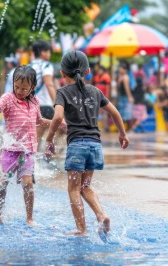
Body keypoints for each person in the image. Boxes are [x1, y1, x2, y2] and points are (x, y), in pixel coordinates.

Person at [45, 50, 129, 236]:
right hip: (95, 146)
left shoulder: (62, 92)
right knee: (85, 186)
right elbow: (114, 113)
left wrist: (49, 139)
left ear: (62, 73)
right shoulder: (96, 91)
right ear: (88, 71)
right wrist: (122, 134)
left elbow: (58, 117)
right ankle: (101, 215)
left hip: (77, 147)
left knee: (74, 188)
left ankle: (81, 229)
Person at [0, 66, 56, 225]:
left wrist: (57, 123)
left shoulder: (35, 102)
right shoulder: (8, 98)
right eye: (17, 87)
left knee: (28, 183)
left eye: (24, 88)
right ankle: (0, 213)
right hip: (10, 150)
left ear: (33, 87)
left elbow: (38, 121)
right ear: (13, 83)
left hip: (27, 151)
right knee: (2, 183)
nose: (20, 91)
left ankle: (29, 218)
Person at [30, 40, 56, 151]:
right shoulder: (46, 66)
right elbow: (49, 84)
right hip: (45, 105)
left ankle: (37, 160)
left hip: (32, 106)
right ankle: (40, 161)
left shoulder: (28, 66)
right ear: (43, 52)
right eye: (49, 52)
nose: (49, 54)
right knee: (41, 138)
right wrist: (58, 104)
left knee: (34, 137)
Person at [94, 65, 111, 131]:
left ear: (103, 70)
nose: (98, 71)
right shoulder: (97, 77)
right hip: (97, 97)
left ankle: (106, 127)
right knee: (97, 112)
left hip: (104, 97)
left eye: (100, 70)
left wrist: (107, 98)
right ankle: (99, 127)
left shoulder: (106, 77)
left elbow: (108, 88)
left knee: (105, 113)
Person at [116, 62, 134, 128]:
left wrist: (130, 97)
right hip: (121, 97)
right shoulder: (121, 77)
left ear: (124, 70)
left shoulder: (126, 77)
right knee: (121, 114)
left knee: (127, 114)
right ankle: (123, 129)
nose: (119, 70)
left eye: (120, 69)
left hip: (125, 98)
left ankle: (129, 128)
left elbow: (127, 88)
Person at [130, 66, 148, 131]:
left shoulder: (134, 89)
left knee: (136, 119)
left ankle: (136, 128)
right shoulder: (143, 90)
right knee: (139, 119)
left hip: (135, 105)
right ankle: (133, 128)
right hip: (141, 105)